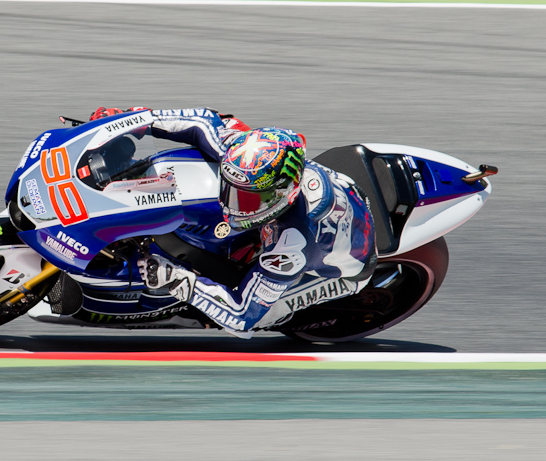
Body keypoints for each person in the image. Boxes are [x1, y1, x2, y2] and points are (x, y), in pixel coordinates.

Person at [89, 106, 377, 338]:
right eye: (231, 189)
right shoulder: (242, 153)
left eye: (247, 199)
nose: (232, 203)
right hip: (340, 190)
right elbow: (201, 121)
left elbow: (242, 316)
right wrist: (131, 120)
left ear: (281, 195)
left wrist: (178, 279)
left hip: (344, 266)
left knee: (266, 315)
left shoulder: (291, 245)